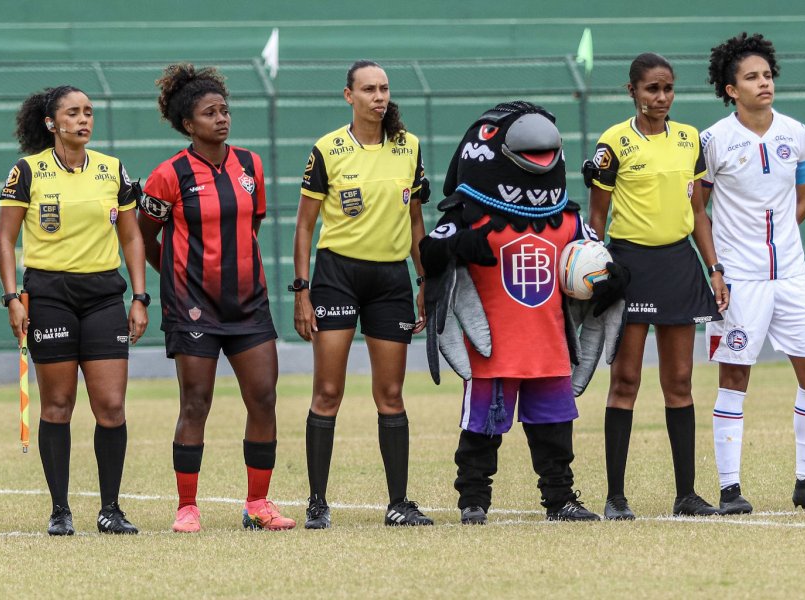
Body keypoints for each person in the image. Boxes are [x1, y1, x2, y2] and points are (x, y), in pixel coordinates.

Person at [421, 101, 620, 524]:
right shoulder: (470, 217)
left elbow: (597, 256)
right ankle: (473, 499)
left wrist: (612, 276)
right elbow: (432, 249)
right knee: (481, 432)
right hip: (493, 352)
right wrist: (451, 246)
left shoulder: (565, 219)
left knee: (555, 432)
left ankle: (560, 498)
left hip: (550, 349)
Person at [139, 64, 295, 532]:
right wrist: (178, 276)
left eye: (224, 110)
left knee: (264, 397)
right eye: (210, 113)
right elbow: (145, 237)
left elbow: (252, 224)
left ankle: (258, 504)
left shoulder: (250, 165)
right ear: (189, 124)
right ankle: (187, 507)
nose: (222, 119)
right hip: (193, 307)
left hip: (248, 305)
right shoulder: (168, 175)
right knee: (196, 403)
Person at [696, 33, 805, 514]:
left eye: (767, 75)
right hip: (740, 280)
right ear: (730, 89)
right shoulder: (713, 140)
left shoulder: (795, 133)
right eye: (752, 77)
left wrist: (779, 237)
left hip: (792, 276)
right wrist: (718, 267)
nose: (764, 84)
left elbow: (803, 196)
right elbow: (697, 209)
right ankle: (730, 489)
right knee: (735, 376)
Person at [0, 85, 148, 535]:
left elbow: (133, 237)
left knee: (111, 406)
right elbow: (5, 239)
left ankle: (111, 510)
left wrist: (139, 296)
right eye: (74, 113)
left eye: (89, 113)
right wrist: (10, 298)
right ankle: (60, 510)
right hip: (49, 296)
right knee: (58, 405)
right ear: (51, 123)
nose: (84, 120)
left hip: (103, 295)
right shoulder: (28, 171)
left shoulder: (112, 169)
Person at [583, 52, 727, 519]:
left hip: (678, 265)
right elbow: (597, 220)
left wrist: (715, 268)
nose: (661, 97)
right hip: (629, 267)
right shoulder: (614, 143)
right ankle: (616, 497)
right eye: (651, 89)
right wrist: (593, 273)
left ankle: (686, 495)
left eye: (667, 88)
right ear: (632, 91)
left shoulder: (689, 140)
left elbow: (700, 213)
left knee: (680, 381)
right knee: (625, 380)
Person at [293, 59, 432, 528]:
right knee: (328, 391)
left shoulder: (408, 147)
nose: (379, 97)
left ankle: (399, 504)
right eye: (369, 89)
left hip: (391, 281)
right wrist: (301, 290)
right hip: (337, 276)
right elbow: (305, 226)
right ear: (349, 96)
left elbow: (416, 223)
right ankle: (317, 501)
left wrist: (423, 279)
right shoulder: (327, 149)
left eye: (384, 89)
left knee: (390, 394)